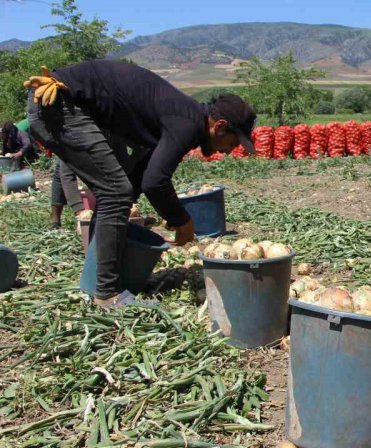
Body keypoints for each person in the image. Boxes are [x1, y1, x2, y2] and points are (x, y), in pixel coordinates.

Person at [24, 61, 257, 308]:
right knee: (115, 192)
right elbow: (155, 182)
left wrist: (129, 202)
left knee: (117, 191)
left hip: (63, 104)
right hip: (58, 101)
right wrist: (182, 221)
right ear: (219, 127)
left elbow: (141, 172)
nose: (231, 151)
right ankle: (107, 294)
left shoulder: (184, 118)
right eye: (234, 142)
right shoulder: (186, 123)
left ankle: (98, 274)